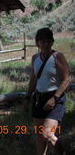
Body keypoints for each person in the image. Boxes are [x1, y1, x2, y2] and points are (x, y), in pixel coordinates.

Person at [23, 27, 71, 155]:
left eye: (48, 41)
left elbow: (66, 80)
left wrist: (54, 98)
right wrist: (27, 98)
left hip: (55, 99)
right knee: (40, 136)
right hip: (39, 99)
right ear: (37, 43)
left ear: (52, 42)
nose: (45, 44)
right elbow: (33, 80)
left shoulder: (57, 57)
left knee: (48, 134)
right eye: (42, 41)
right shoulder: (35, 58)